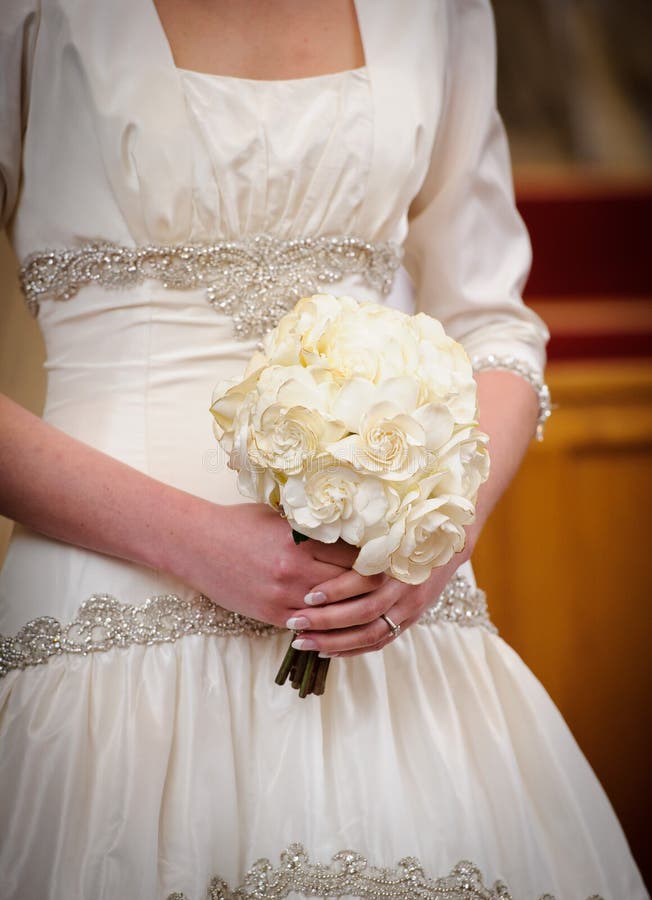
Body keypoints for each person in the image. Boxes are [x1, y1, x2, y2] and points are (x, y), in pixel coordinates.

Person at [0, 1, 646, 897]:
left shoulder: (441, 11)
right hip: (107, 619)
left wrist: (437, 538)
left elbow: (495, 327)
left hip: (387, 618)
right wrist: (191, 541)